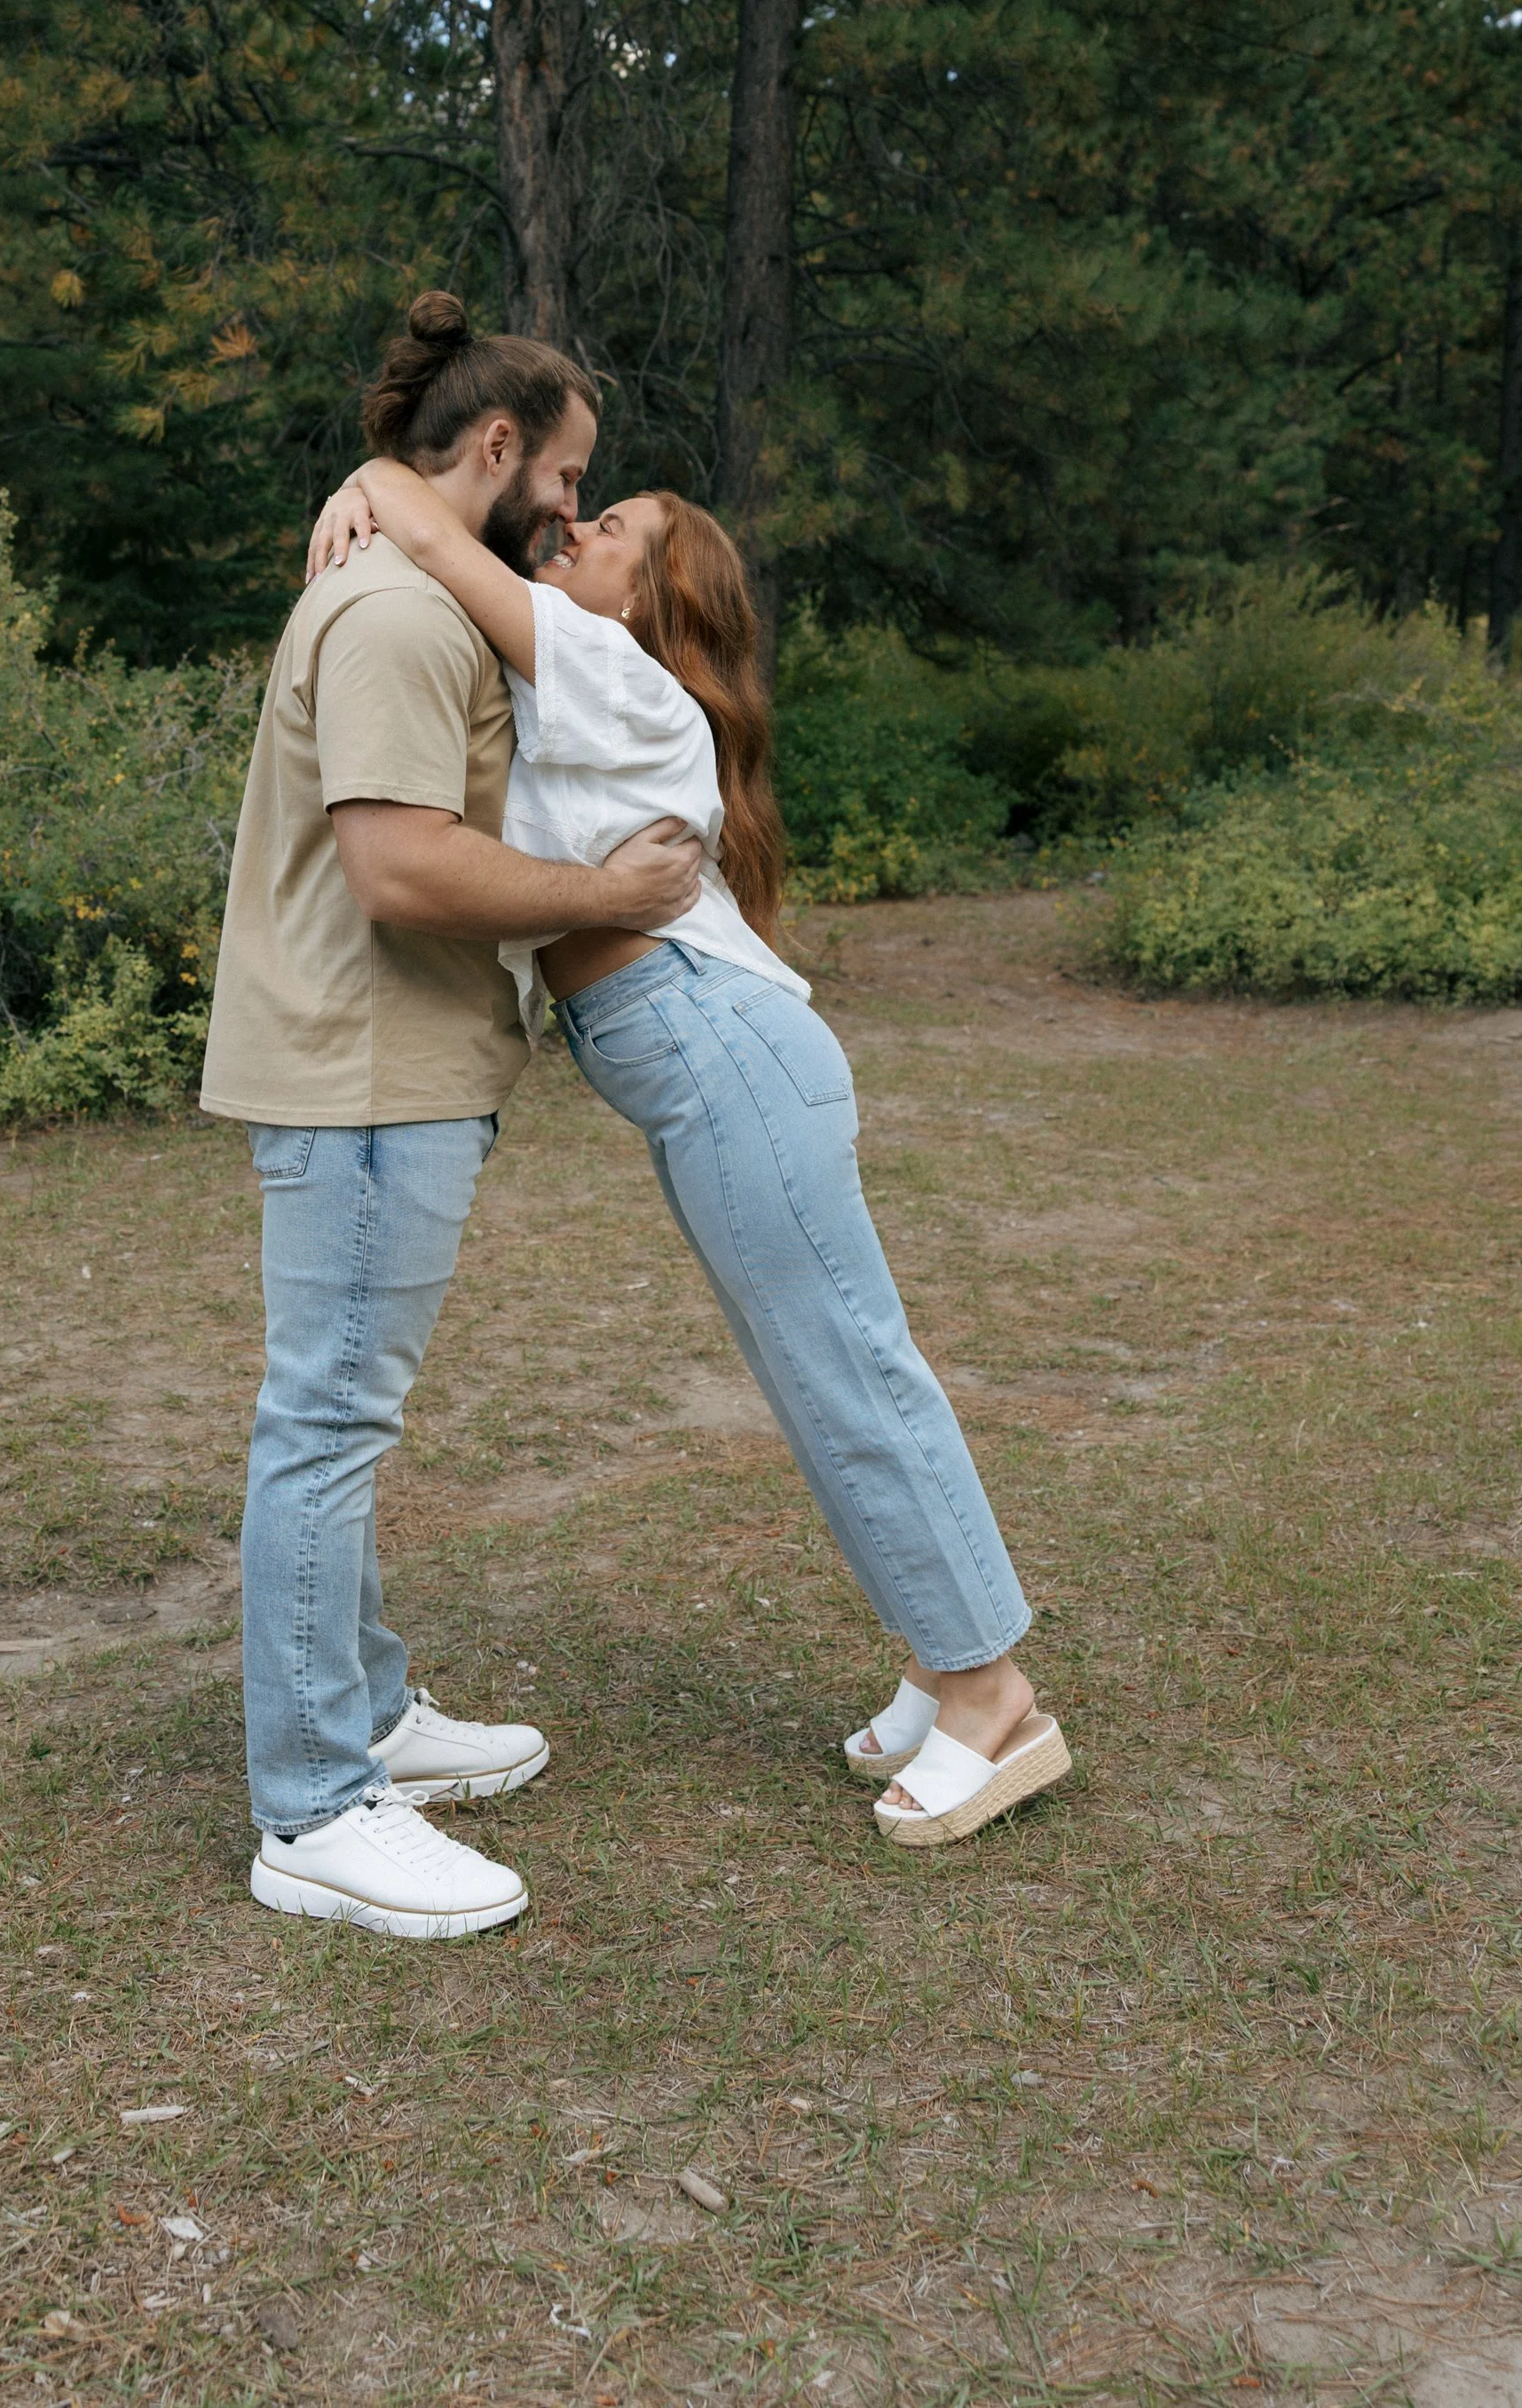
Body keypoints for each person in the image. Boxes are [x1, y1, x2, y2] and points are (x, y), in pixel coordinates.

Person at [306, 454, 1069, 1852]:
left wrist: (370, 476)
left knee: (846, 1362)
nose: (575, 529)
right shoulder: (575, 683)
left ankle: (992, 1693)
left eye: (609, 530)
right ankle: (935, 1656)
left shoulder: (611, 665)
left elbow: (441, 531)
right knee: (811, 1369)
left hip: (725, 1053)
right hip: (700, 1066)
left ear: (649, 601)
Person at [201, 293, 706, 1939]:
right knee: (329, 1421)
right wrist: (600, 889)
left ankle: (373, 1716)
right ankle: (315, 1809)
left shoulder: (418, 587)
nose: (570, 508)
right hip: (360, 1080)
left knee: (344, 1412)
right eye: (564, 476)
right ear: (492, 452)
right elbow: (398, 860)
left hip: (390, 1075)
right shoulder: (400, 621)